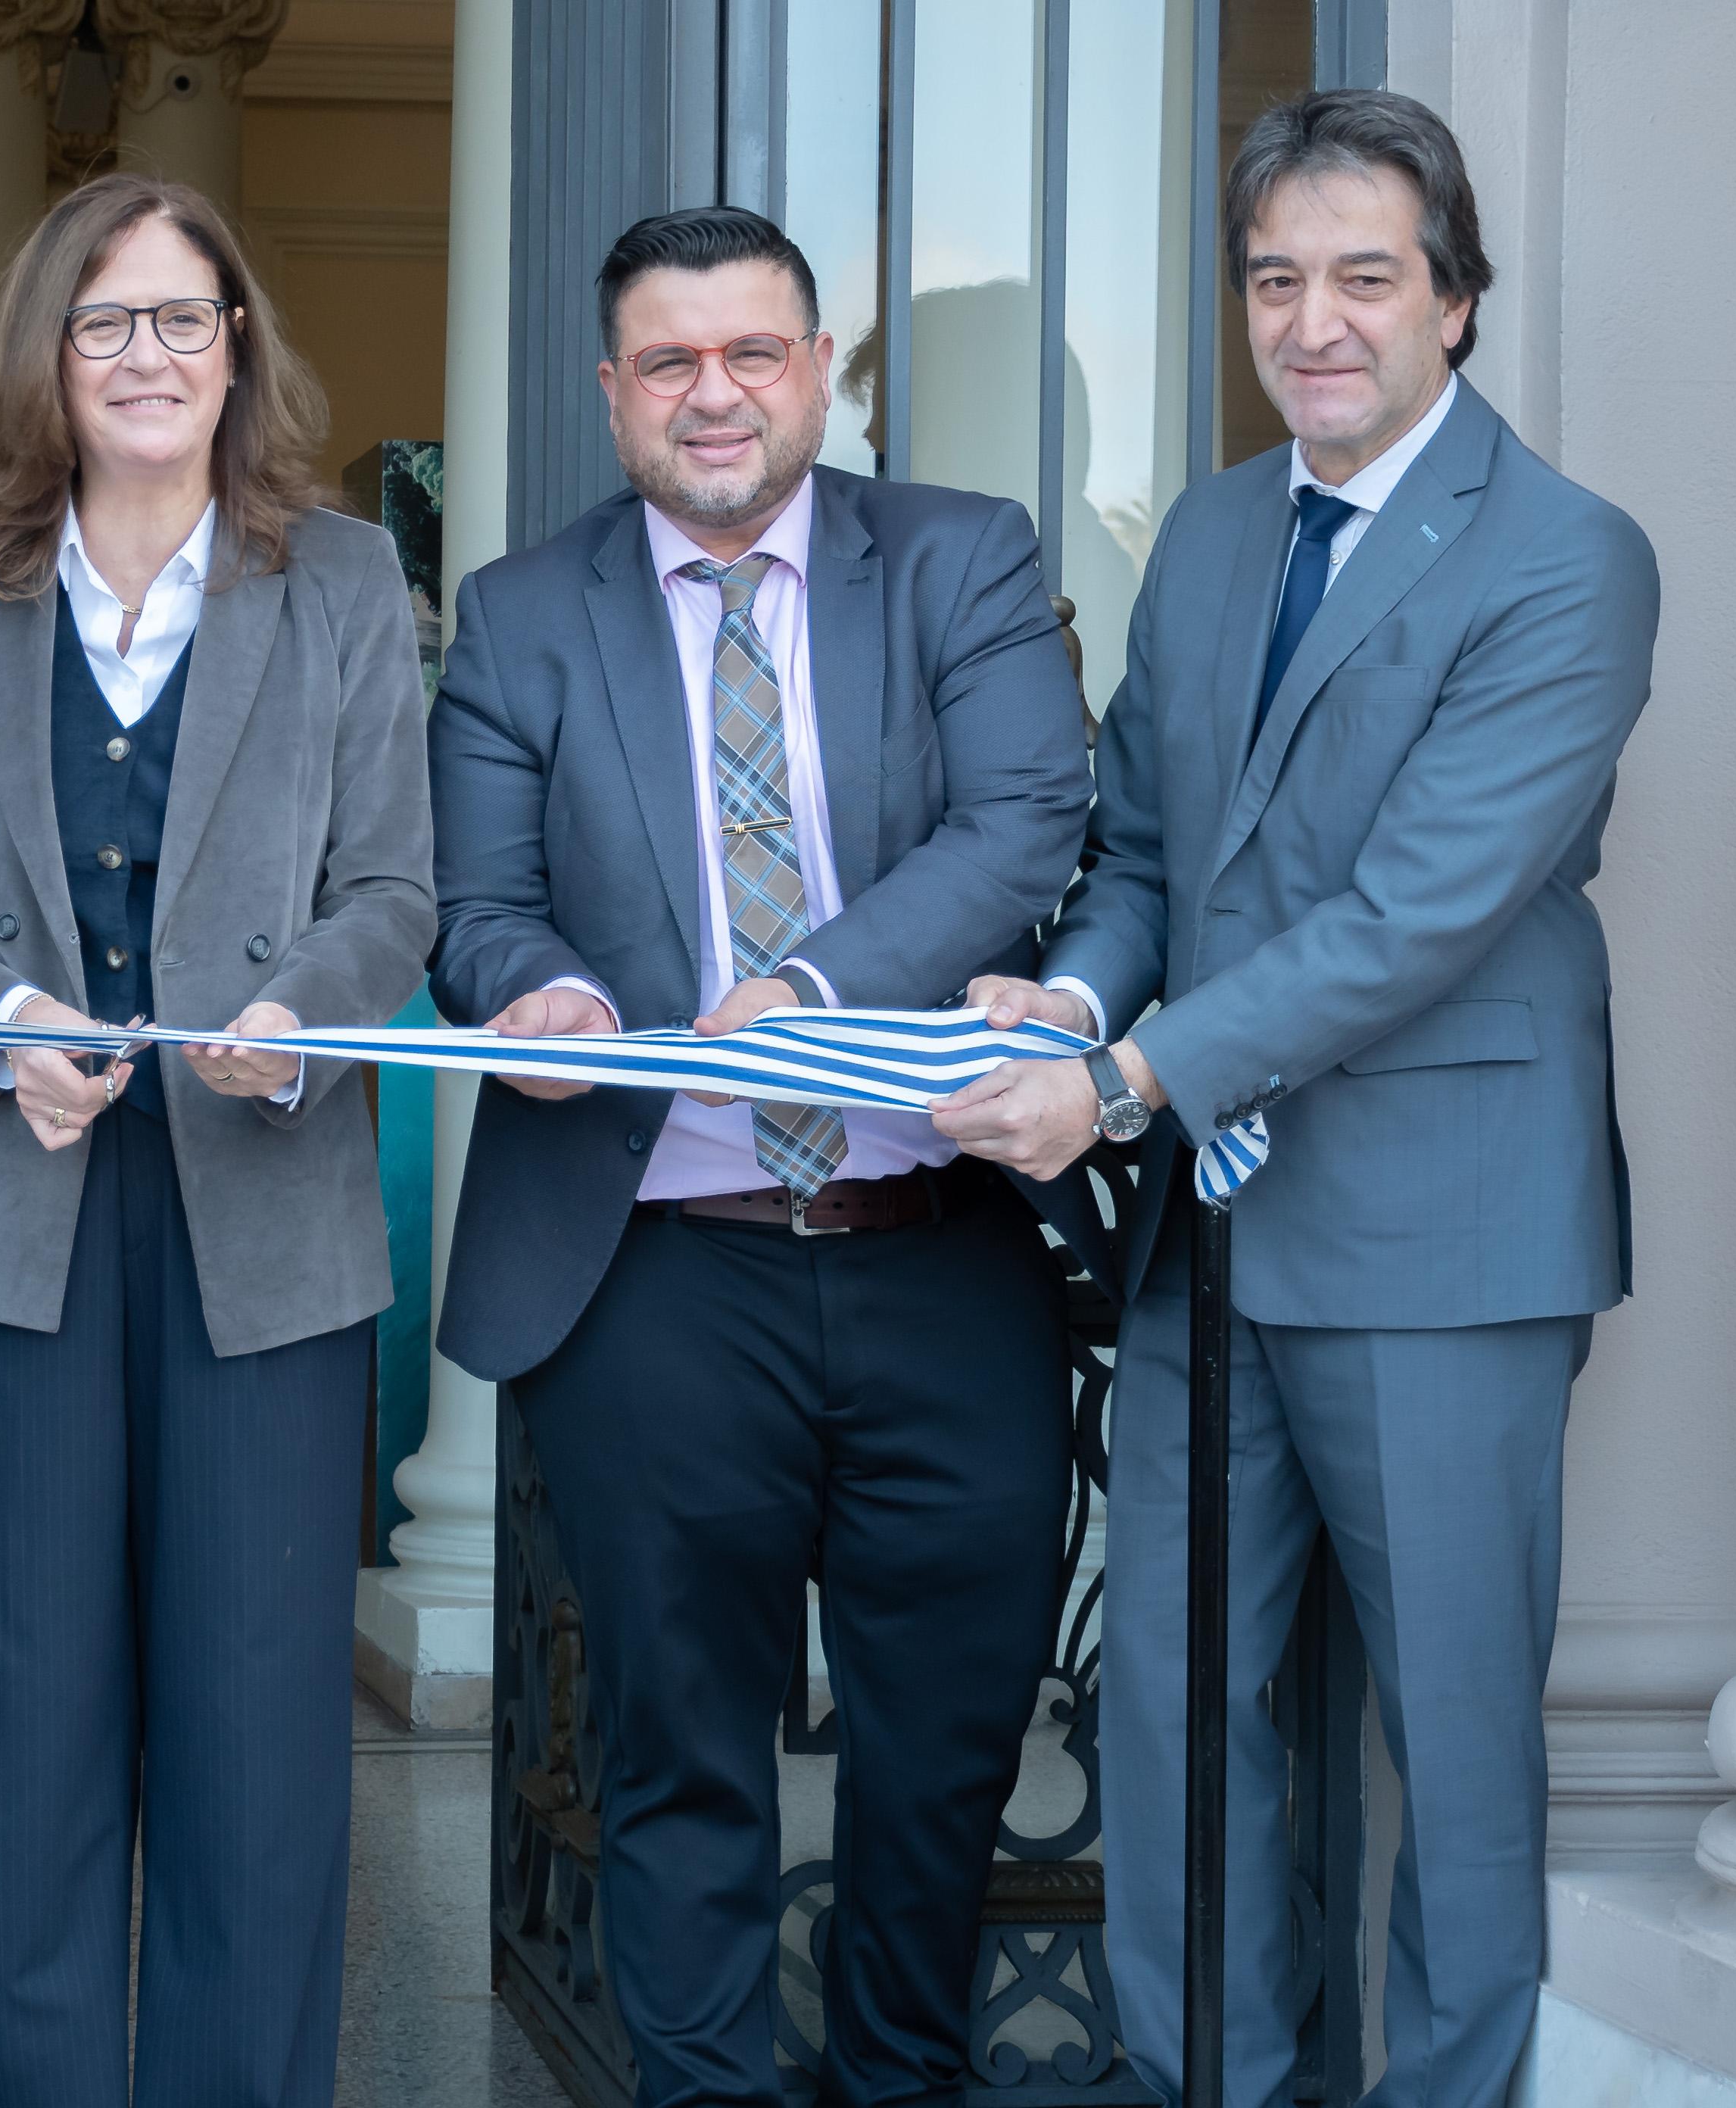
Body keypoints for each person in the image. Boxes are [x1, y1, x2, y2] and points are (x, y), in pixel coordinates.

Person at [929, 89, 1659, 2108]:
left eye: (1364, 277)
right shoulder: (1219, 531)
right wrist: (1069, 988)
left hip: (1440, 1228)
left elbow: (1419, 911)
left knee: (1451, 1737)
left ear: (1457, 305)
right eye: (1277, 279)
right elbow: (1154, 849)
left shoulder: (1568, 560)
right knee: (1173, 1722)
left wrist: (1129, 1073)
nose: (1313, 321)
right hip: (1209, 1239)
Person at [426, 204, 1089, 2107]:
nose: (713, 395)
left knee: (944, 1746)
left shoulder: (961, 559)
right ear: (613, 391)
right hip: (656, 1260)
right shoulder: (522, 612)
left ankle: (901, 2081)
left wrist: (809, 985)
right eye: (668, 362)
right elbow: (480, 903)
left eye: (753, 354)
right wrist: (536, 990)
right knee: (679, 1750)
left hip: (938, 1236)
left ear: (815, 369)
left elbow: (1028, 817)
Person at [0, 172, 435, 2108]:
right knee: (26, 1739)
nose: (147, 355)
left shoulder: (334, 577)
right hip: (17, 1201)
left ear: (238, 343)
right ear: (48, 357)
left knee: (258, 1743)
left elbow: (398, 885)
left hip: (270, 1204)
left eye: (182, 317)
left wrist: (296, 1019)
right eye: (106, 322)